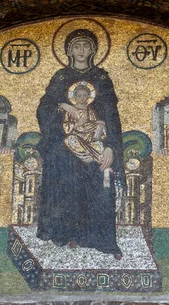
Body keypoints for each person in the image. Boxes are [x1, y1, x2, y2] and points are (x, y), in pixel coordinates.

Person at [36, 29, 124, 259]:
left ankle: (98, 239)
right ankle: (63, 233)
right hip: (65, 143)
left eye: (86, 46)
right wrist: (64, 107)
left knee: (100, 172)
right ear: (68, 50)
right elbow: (45, 108)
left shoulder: (102, 78)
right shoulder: (61, 78)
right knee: (59, 160)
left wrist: (110, 147)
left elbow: (112, 116)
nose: (81, 51)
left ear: (93, 50)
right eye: (77, 46)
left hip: (96, 141)